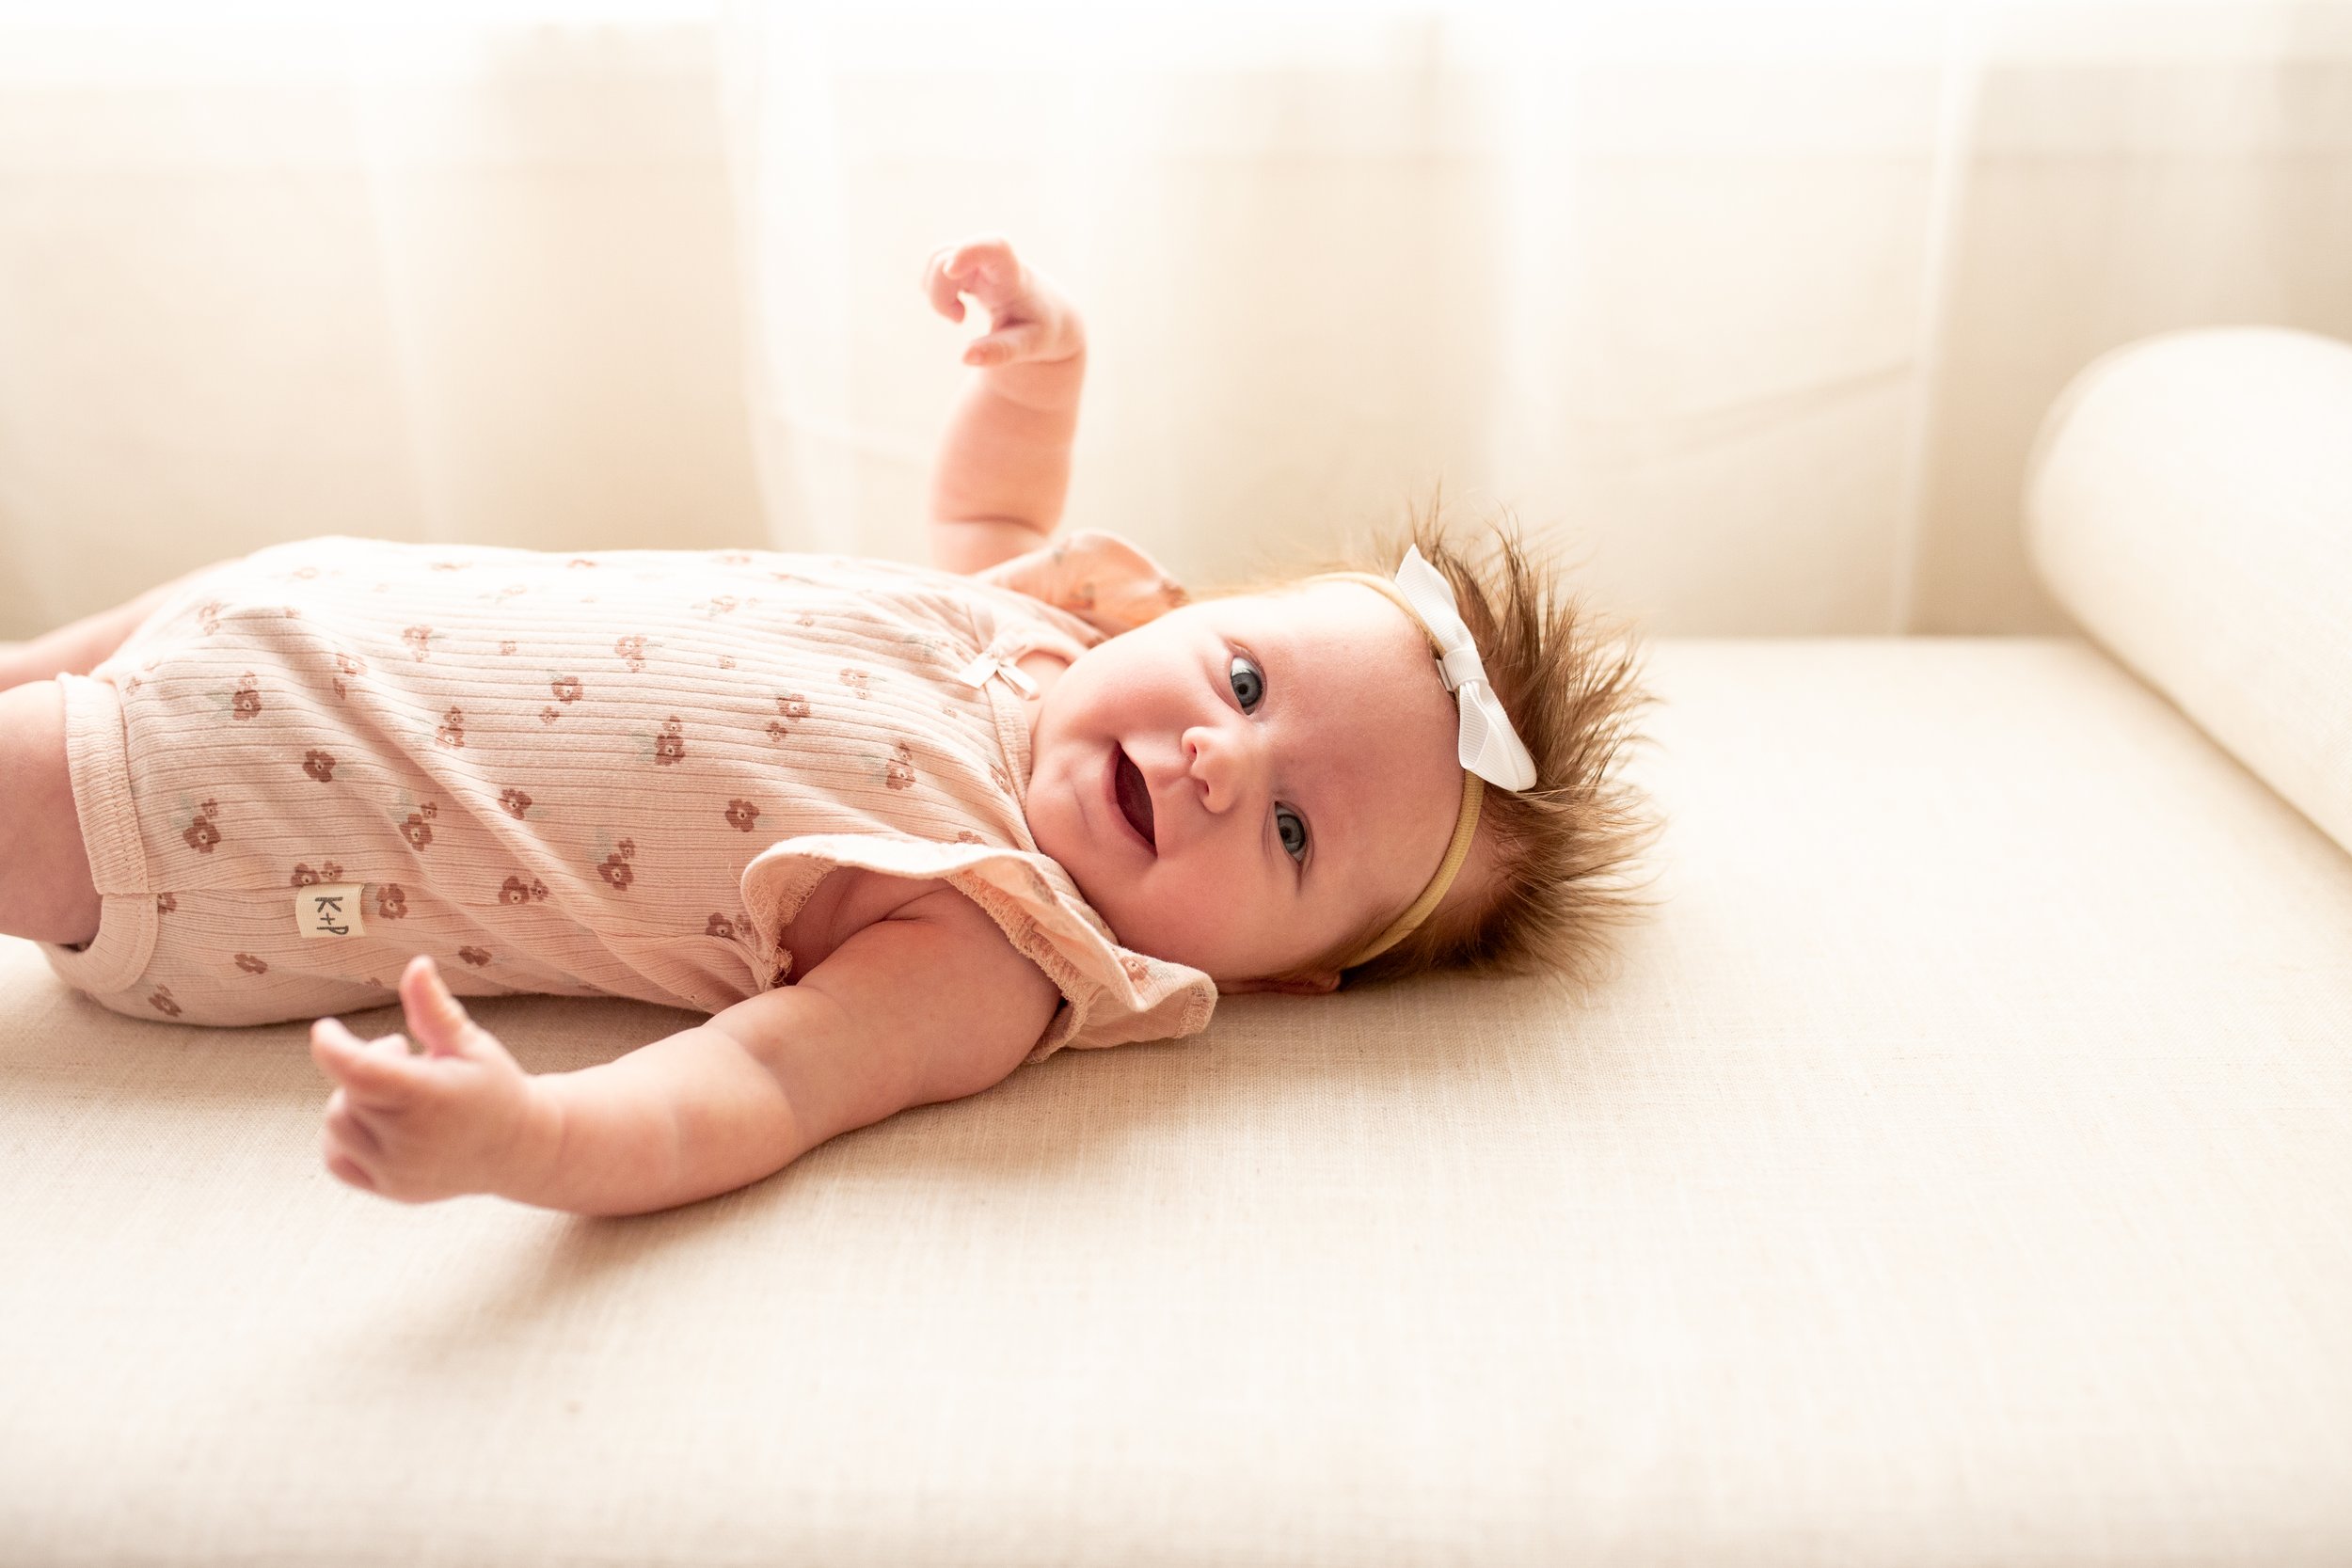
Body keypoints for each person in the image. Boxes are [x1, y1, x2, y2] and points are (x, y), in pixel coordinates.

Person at [0, 236, 1656, 1215]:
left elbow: (752, 1093)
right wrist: (1034, 369)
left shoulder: (987, 941)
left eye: (1295, 833)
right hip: (296, 601)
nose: (1226, 763)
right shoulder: (1034, 637)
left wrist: (525, 1139)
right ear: (1184, 616)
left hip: (229, 820)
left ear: (1290, 973)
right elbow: (987, 511)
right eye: (1242, 680)